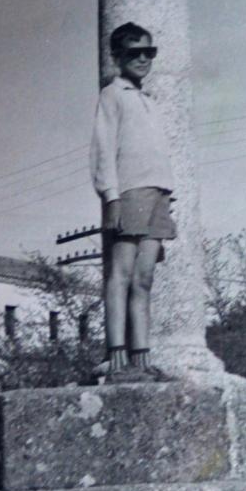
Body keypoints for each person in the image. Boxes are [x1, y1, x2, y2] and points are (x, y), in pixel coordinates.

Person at [90, 22, 176, 382]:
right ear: (117, 56)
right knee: (120, 275)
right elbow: (103, 150)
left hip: (158, 194)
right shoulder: (113, 95)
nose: (142, 58)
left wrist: (168, 201)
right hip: (129, 193)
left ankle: (141, 358)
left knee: (144, 279)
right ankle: (116, 358)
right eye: (133, 52)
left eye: (148, 52)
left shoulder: (149, 102)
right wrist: (110, 196)